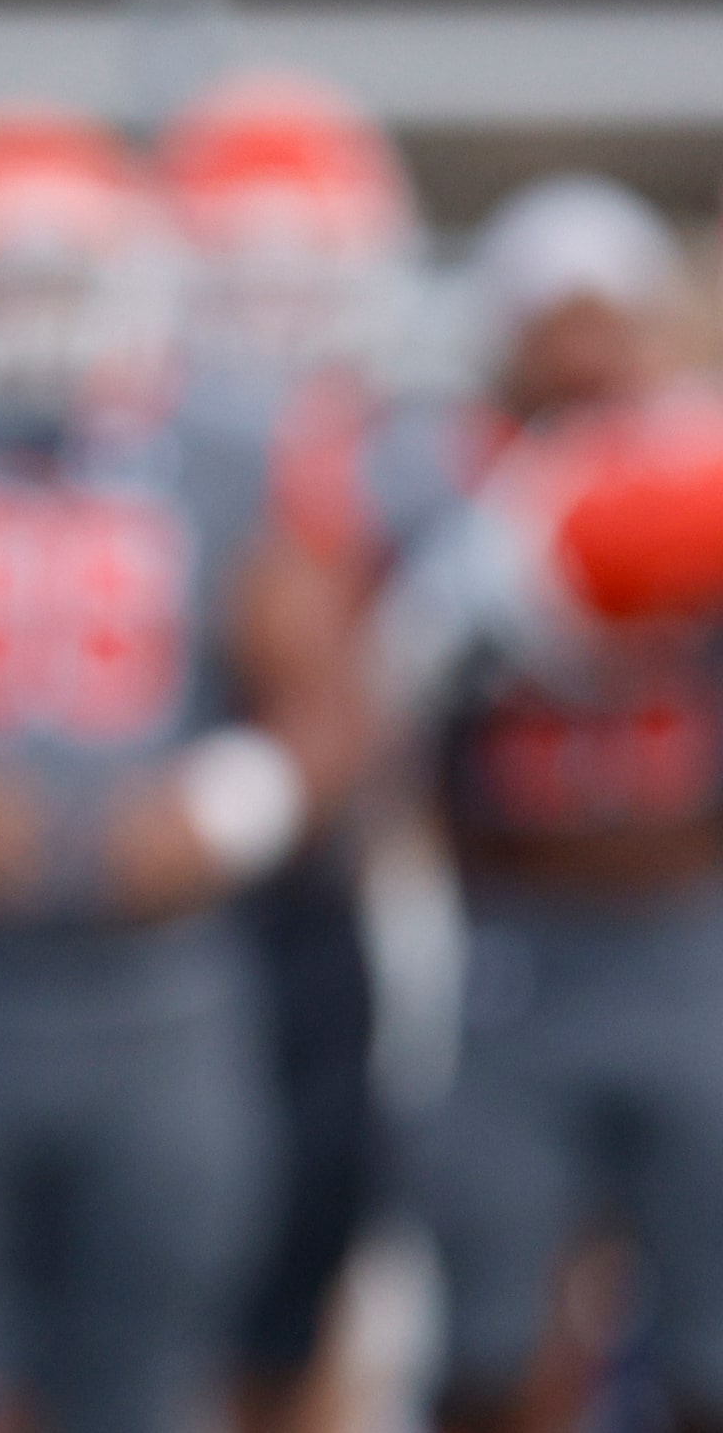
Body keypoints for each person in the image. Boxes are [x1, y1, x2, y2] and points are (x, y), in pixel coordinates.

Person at [0, 109, 336, 1433]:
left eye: (61, 278)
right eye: (1, 278)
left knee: (147, 1383)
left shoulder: (215, 450)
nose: (31, 316)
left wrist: (229, 805)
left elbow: (330, 687)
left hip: (156, 993)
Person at [376, 175, 723, 1433]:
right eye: (550, 321)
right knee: (491, 1337)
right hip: (519, 951)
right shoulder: (438, 479)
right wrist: (495, 591)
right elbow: (374, 694)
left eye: (603, 318)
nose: (578, 351)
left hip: (689, 938)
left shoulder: (695, 465)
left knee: (707, 1341)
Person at [156, 70, 433, 1427]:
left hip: (325, 900)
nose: (276, 317)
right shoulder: (123, 454)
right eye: (242, 279)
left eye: (305, 275)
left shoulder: (421, 455)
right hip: (166, 911)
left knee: (313, 1258)